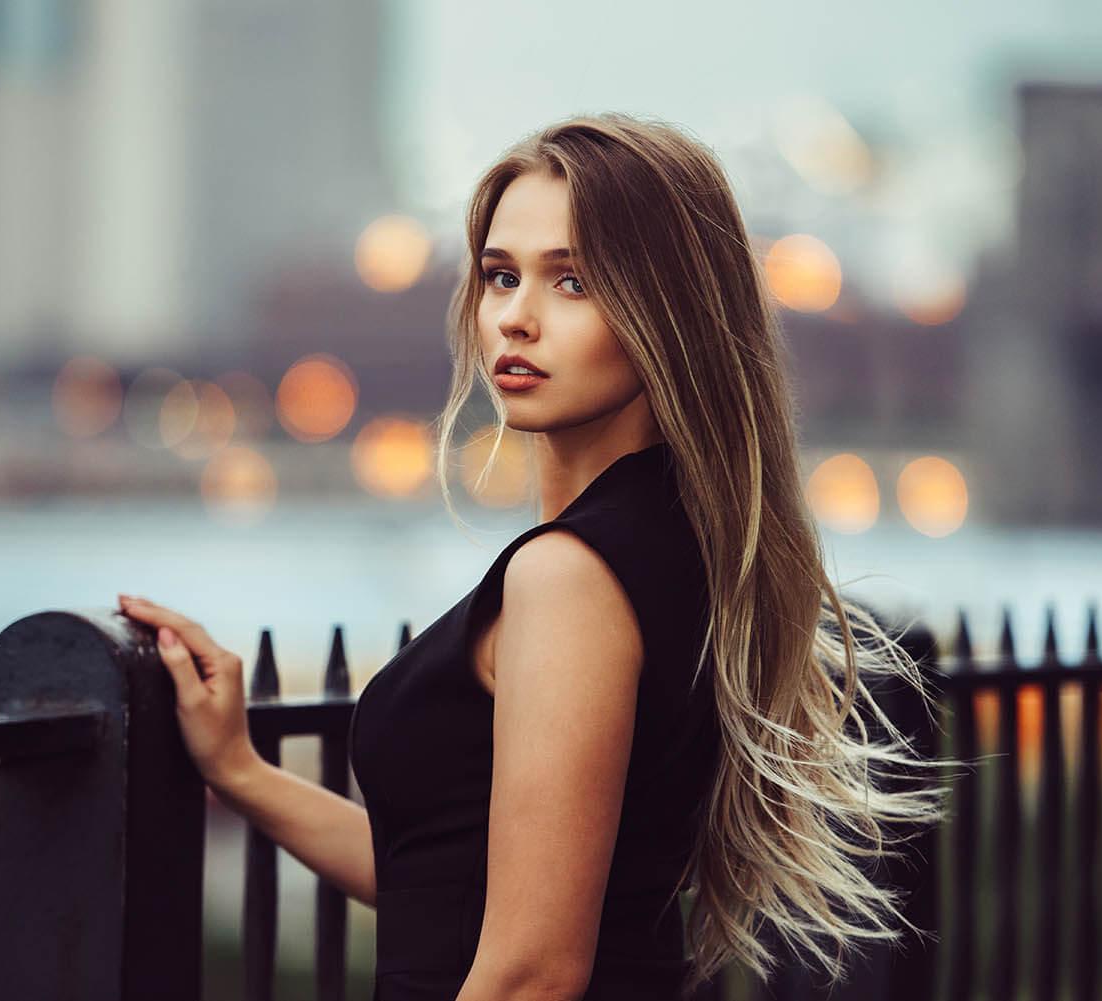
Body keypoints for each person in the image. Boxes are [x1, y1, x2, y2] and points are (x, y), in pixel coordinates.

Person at [118, 112, 948, 1001]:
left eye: (575, 281)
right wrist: (242, 770)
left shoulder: (571, 576)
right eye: (500, 276)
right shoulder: (677, 542)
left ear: (666, 312)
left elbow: (532, 972)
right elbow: (455, 888)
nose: (516, 317)